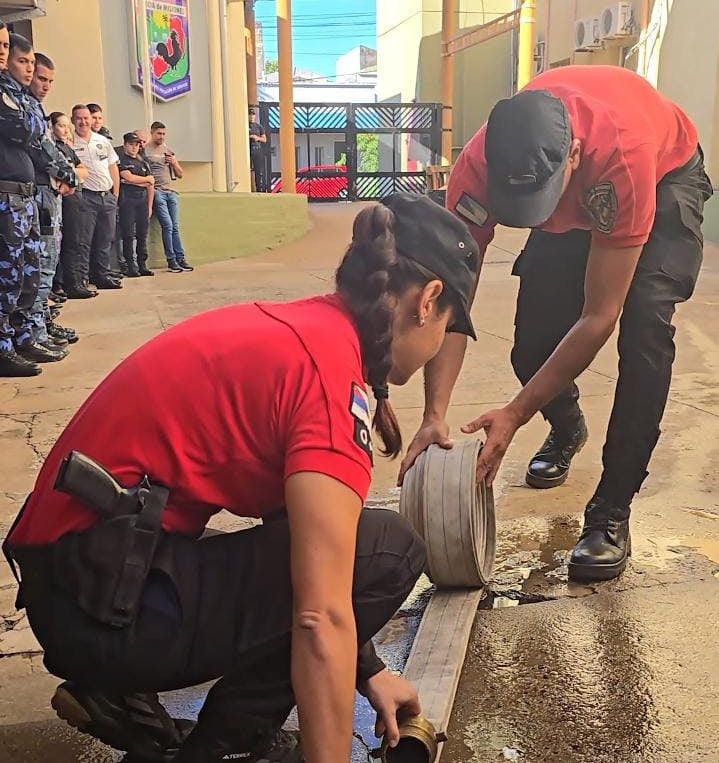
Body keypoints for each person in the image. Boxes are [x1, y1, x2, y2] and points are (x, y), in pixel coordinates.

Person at [3, 193, 478, 763]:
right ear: (428, 302)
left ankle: (126, 700)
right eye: (449, 326)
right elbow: (319, 616)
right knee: (388, 551)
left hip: (81, 579)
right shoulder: (330, 383)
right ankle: (220, 748)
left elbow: (303, 547)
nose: (435, 350)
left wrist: (369, 668)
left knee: (336, 552)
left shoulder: (305, 331)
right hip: (98, 602)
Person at [400, 65, 714, 583]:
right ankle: (568, 430)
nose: (534, 218)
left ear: (572, 157)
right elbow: (455, 296)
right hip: (576, 187)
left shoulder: (621, 156)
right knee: (532, 349)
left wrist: (517, 412)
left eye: (539, 205)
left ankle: (611, 514)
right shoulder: (476, 170)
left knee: (645, 331)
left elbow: (598, 315)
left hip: (663, 176)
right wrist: (435, 412)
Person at [0, 29, 76, 376]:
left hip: (25, 195)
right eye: (23, 61)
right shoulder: (7, 94)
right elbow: (27, 131)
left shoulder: (20, 96)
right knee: (8, 276)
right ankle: (7, 344)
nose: (31, 72)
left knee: (28, 275)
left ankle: (24, 336)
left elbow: (34, 132)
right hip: (8, 196)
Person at [27, 52, 78, 358]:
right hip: (35, 195)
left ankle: (40, 325)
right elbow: (42, 151)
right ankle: (32, 331)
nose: (45, 86)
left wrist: (67, 176)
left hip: (49, 193)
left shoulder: (34, 107)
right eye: (40, 79)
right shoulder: (21, 106)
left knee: (46, 265)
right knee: (38, 268)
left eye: (49, 81)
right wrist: (68, 173)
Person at [71, 103, 122, 290]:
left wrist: (115, 195)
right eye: (79, 118)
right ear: (73, 121)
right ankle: (82, 279)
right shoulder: (71, 142)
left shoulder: (102, 140)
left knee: (105, 238)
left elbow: (113, 166)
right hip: (86, 197)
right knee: (83, 240)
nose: (84, 122)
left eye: (86, 118)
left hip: (106, 196)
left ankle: (102, 275)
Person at [145, 121, 193, 273]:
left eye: (164, 134)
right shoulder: (145, 150)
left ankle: (181, 258)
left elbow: (180, 174)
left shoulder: (168, 151)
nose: (161, 136)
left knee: (175, 226)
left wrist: (173, 162)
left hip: (170, 191)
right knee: (168, 225)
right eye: (159, 133)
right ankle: (171, 259)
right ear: (152, 133)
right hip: (157, 191)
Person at [117, 131, 155, 277]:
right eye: (131, 144)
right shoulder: (123, 160)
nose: (134, 148)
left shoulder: (143, 162)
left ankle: (142, 265)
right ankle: (131, 266)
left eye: (137, 145)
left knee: (142, 234)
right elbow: (127, 177)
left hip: (142, 202)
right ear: (125, 145)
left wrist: (150, 205)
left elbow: (151, 183)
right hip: (128, 201)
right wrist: (144, 181)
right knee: (128, 235)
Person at [249, 108, 268, 193]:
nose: (251, 116)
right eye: (250, 114)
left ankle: (259, 189)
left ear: (255, 116)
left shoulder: (259, 127)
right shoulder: (245, 125)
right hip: (248, 150)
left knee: (258, 171)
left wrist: (257, 138)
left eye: (253, 114)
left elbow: (264, 139)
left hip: (257, 150)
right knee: (247, 169)